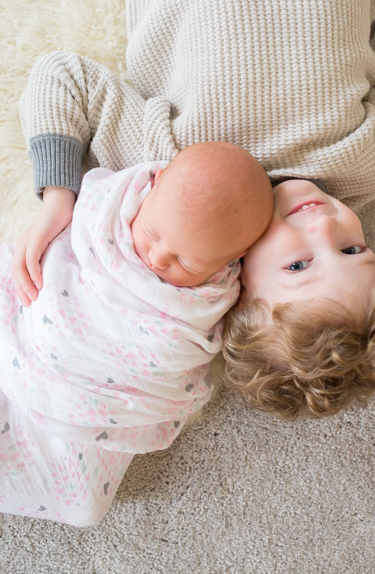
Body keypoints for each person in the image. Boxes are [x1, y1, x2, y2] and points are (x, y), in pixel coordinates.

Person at [12, 0, 375, 429]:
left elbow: (64, 77)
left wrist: (59, 197)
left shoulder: (178, 182)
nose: (324, 227)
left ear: (236, 283)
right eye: (353, 250)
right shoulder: (361, 162)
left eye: (298, 265)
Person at [0, 142, 273, 525]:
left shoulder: (212, 298)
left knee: (81, 500)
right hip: (35, 320)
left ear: (231, 258)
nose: (159, 258)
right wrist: (56, 201)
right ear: (155, 182)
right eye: (152, 233)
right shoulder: (118, 201)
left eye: (185, 261)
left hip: (99, 399)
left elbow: (179, 353)